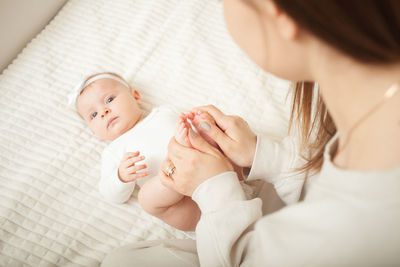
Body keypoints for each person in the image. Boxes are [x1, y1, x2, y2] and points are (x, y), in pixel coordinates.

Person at [101, 0, 400, 266]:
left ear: (277, 13)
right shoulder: (374, 116)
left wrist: (215, 189)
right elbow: (333, 189)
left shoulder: (360, 231)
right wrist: (266, 156)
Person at [71, 72, 247, 231]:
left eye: (109, 100)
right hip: (190, 206)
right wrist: (121, 177)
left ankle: (196, 153)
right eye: (93, 115)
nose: (103, 112)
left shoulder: (164, 113)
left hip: (214, 172)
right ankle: (175, 170)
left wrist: (200, 123)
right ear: (93, 130)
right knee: (147, 198)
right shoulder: (113, 151)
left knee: (215, 136)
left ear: (136, 97)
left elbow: (190, 122)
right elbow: (111, 195)